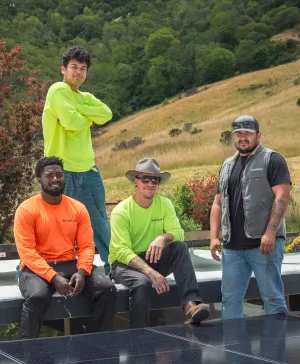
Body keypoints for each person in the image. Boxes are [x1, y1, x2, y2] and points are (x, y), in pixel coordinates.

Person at [14, 157, 117, 339]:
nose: (55, 179)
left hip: (69, 263)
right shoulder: (27, 209)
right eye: (49, 175)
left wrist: (83, 271)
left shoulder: (77, 208)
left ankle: (101, 345)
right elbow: (27, 252)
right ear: (39, 179)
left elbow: (86, 246)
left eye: (59, 175)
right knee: (37, 297)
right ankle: (29, 354)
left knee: (106, 288)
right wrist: (53, 277)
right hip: (36, 268)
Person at [109, 158, 210, 328]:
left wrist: (163, 238)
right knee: (142, 282)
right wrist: (150, 272)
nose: (150, 183)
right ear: (136, 182)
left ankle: (191, 306)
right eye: (145, 179)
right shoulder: (121, 211)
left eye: (154, 179)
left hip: (152, 258)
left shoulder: (164, 204)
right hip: (125, 264)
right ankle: (140, 333)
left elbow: (178, 233)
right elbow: (121, 250)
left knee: (179, 247)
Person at [210, 115, 291, 320]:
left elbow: (282, 197)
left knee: (272, 298)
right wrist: (213, 237)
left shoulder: (272, 159)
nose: (242, 137)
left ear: (258, 135)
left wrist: (270, 232)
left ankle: (274, 352)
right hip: (232, 249)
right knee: (229, 299)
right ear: (233, 137)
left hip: (263, 245)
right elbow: (218, 203)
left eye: (247, 133)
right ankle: (234, 351)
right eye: (238, 134)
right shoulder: (227, 165)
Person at [42, 46, 112, 274]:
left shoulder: (85, 97)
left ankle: (116, 267)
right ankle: (47, 270)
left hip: (89, 170)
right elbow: (72, 123)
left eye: (83, 68)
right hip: (60, 171)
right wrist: (89, 118)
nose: (79, 72)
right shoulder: (58, 89)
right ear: (63, 69)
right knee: (57, 223)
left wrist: (79, 109)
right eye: (74, 67)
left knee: (100, 223)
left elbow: (107, 114)